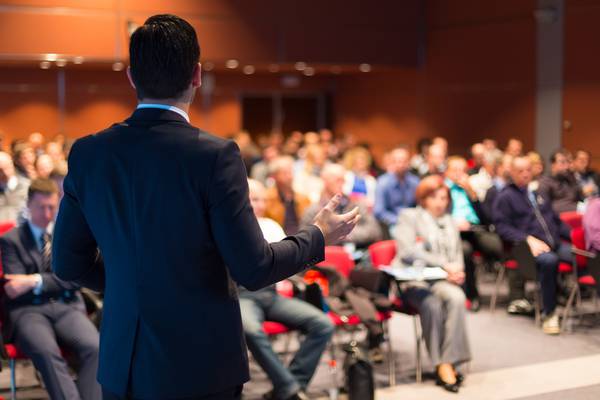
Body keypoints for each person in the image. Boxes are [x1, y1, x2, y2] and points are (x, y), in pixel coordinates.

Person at [52, 15, 358, 400]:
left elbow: (67, 263)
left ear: (132, 77)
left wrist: (134, 286)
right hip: (200, 364)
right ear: (196, 75)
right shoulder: (214, 156)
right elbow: (254, 267)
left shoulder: (89, 153)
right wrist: (317, 236)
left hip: (123, 362)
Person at [0, 179, 101, 400]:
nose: (47, 214)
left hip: (66, 308)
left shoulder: (67, 236)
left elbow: (75, 280)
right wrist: (55, 281)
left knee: (94, 348)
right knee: (47, 353)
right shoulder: (10, 240)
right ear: (28, 205)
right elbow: (14, 288)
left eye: (52, 207)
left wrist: (34, 281)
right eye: (41, 207)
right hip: (28, 312)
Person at [242, 179, 334, 400]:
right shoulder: (233, 228)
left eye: (263, 199)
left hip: (270, 294)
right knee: (252, 330)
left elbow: (288, 262)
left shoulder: (271, 225)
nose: (261, 205)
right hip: (243, 295)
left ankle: (288, 387)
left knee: (323, 324)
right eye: (255, 199)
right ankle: (290, 389)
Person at [393, 175, 471, 393]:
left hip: (440, 280)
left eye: (444, 198)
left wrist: (457, 271)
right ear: (423, 198)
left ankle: (448, 361)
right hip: (413, 281)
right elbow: (407, 251)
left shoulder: (450, 221)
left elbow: (457, 255)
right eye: (435, 197)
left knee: (456, 298)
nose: (440, 202)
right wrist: (445, 264)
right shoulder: (409, 217)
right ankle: (441, 365)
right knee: (432, 305)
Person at [493, 156, 572, 335]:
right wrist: (527, 238)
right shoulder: (505, 197)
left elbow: (556, 221)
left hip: (554, 244)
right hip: (525, 250)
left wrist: (575, 236)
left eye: (528, 170)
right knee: (549, 261)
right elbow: (501, 228)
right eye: (520, 171)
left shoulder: (539, 193)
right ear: (511, 173)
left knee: (585, 256)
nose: (525, 174)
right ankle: (549, 313)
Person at [445, 156, 503, 310]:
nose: (459, 174)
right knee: (465, 251)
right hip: (453, 233)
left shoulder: (470, 189)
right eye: (455, 170)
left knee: (498, 246)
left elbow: (486, 217)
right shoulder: (443, 189)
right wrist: (453, 223)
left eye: (462, 170)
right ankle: (471, 295)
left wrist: (472, 194)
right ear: (447, 172)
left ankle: (517, 296)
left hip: (475, 230)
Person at [302, 164, 382, 248]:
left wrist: (341, 234)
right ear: (325, 181)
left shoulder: (356, 204)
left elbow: (374, 231)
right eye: (337, 180)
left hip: (359, 253)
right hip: (328, 257)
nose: (341, 184)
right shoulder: (313, 210)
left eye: (343, 180)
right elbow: (306, 241)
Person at [373, 147, 419, 233]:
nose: (401, 164)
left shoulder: (415, 182)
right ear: (391, 163)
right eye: (397, 161)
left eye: (404, 161)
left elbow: (420, 205)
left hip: (413, 222)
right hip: (392, 224)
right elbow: (379, 211)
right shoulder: (383, 182)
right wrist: (399, 221)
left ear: (409, 162)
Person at [265, 156, 312, 235]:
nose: (290, 177)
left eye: (291, 172)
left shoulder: (304, 199)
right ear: (274, 176)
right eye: (285, 173)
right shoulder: (266, 199)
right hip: (278, 240)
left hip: (301, 239)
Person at [538, 149, 582, 214]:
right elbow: (545, 208)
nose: (567, 166)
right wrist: (577, 207)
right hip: (557, 220)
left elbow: (579, 199)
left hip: (575, 216)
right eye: (562, 162)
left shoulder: (570, 179)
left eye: (568, 162)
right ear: (553, 165)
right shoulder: (545, 182)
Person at [0, 151, 29, 222]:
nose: (5, 173)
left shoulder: (27, 186)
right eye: (0, 170)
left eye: (7, 168)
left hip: (20, 230)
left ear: (12, 165)